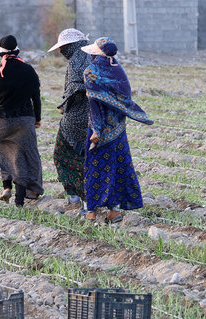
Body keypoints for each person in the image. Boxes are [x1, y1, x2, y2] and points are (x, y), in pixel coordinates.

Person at [81, 37, 153, 223]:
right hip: (118, 129)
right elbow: (126, 98)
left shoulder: (91, 72)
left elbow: (94, 105)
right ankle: (114, 211)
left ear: (97, 52)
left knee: (95, 168)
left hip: (100, 131)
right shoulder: (119, 70)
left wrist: (96, 130)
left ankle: (91, 212)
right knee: (117, 168)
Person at [0, 35, 44, 207]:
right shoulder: (28, 70)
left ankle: (6, 187)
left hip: (3, 121)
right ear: (16, 51)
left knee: (6, 154)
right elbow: (36, 96)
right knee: (28, 156)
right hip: (25, 119)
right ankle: (26, 195)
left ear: (1, 54)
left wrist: (2, 104)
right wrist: (37, 117)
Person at [47, 29, 92, 212]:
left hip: (74, 120)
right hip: (93, 118)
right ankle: (89, 202)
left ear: (71, 45)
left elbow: (74, 88)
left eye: (63, 47)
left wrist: (63, 106)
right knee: (87, 159)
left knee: (62, 155)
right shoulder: (92, 56)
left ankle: (78, 198)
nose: (61, 51)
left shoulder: (75, 61)